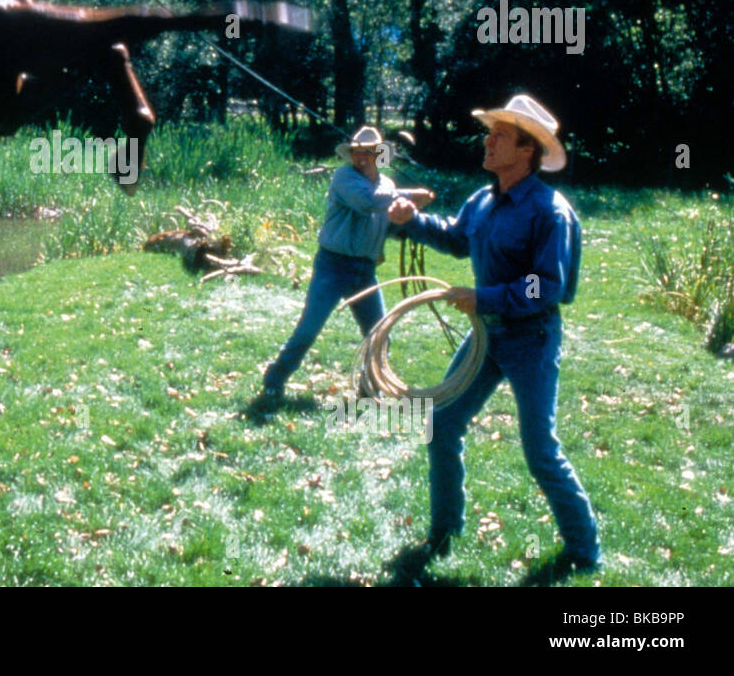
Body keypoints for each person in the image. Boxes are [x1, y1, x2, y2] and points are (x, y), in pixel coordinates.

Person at [387, 94, 602, 573]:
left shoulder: (550, 212)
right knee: (441, 424)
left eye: (499, 135)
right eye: (491, 132)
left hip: (531, 339)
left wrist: (486, 297)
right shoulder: (483, 202)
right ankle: (444, 531)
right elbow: (456, 237)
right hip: (487, 336)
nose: (487, 140)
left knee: (539, 450)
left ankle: (584, 551)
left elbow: (545, 285)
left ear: (526, 150)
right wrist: (412, 221)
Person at [255, 126, 434, 409]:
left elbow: (386, 222)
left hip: (364, 271)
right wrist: (411, 195)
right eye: (356, 153)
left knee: (379, 334)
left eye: (367, 152)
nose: (360, 158)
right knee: (308, 329)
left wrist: (411, 214)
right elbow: (366, 203)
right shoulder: (343, 177)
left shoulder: (387, 185)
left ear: (378, 154)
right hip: (332, 267)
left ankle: (369, 390)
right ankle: (274, 381)